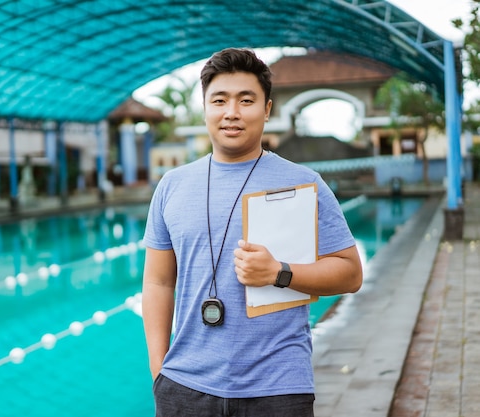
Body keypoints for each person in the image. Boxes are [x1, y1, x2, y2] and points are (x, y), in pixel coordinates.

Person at [141, 47, 363, 417]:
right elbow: (159, 283)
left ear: (267, 109)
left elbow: (351, 273)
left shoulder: (304, 183)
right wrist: (159, 370)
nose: (232, 112)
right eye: (220, 100)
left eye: (246, 100)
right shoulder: (172, 186)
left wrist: (280, 273)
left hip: (279, 388)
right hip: (185, 387)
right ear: (205, 108)